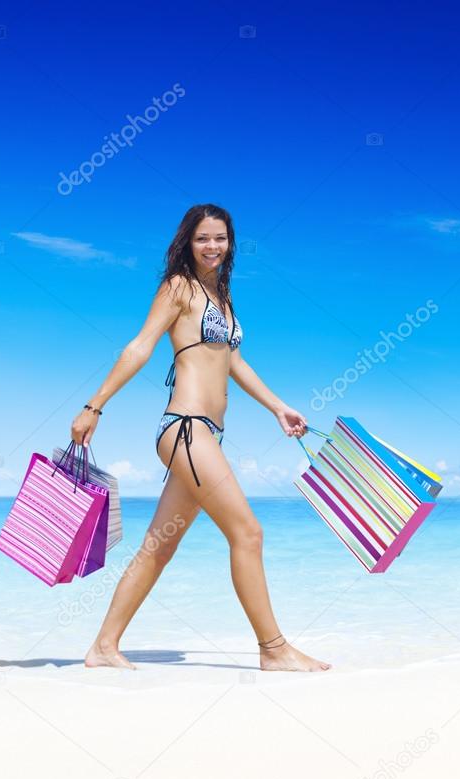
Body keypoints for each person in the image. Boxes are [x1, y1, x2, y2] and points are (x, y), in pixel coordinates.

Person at [72, 203, 332, 672]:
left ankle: (103, 647)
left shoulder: (223, 297)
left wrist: (278, 407)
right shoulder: (179, 288)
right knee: (248, 533)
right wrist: (95, 405)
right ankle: (273, 650)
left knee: (160, 546)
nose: (212, 247)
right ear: (186, 243)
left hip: (207, 433)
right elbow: (140, 346)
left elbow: (232, 362)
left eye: (220, 238)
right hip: (185, 428)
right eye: (202, 238)